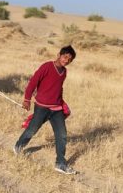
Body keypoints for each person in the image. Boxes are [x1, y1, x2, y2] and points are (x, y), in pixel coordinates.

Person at [13, 45, 77, 175]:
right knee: (32, 130)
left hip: (57, 109)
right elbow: (33, 82)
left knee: (62, 135)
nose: (66, 61)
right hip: (42, 107)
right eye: (65, 57)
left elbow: (59, 88)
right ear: (59, 54)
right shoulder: (47, 67)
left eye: (70, 59)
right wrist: (27, 99)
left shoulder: (64, 72)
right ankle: (19, 146)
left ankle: (60, 164)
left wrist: (62, 103)